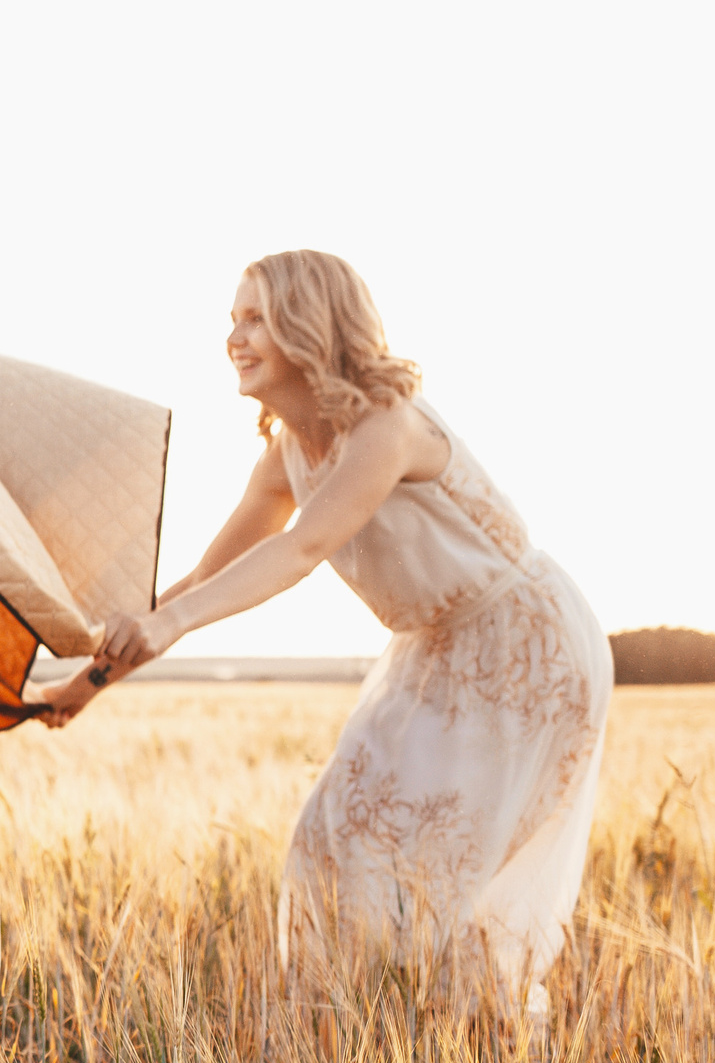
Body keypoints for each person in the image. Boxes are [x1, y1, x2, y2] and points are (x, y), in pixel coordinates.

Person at [41, 251, 611, 1011]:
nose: (234, 338)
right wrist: (85, 686)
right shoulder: (285, 455)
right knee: (329, 838)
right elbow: (195, 584)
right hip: (431, 649)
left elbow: (302, 548)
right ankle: (351, 1050)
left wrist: (170, 622)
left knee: (449, 880)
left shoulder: (389, 426)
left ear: (308, 327)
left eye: (255, 318)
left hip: (523, 644)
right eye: (232, 319)